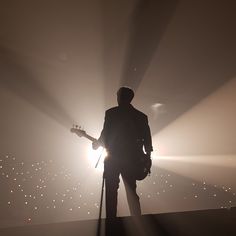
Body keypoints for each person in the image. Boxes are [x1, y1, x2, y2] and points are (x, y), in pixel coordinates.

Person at [92, 87, 153, 218]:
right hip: (132, 159)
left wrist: (97, 144)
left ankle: (111, 220)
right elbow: (147, 139)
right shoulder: (141, 116)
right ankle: (137, 218)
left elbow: (105, 135)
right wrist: (148, 158)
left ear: (119, 97)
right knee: (131, 190)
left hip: (113, 158)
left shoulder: (111, 113)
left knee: (111, 190)